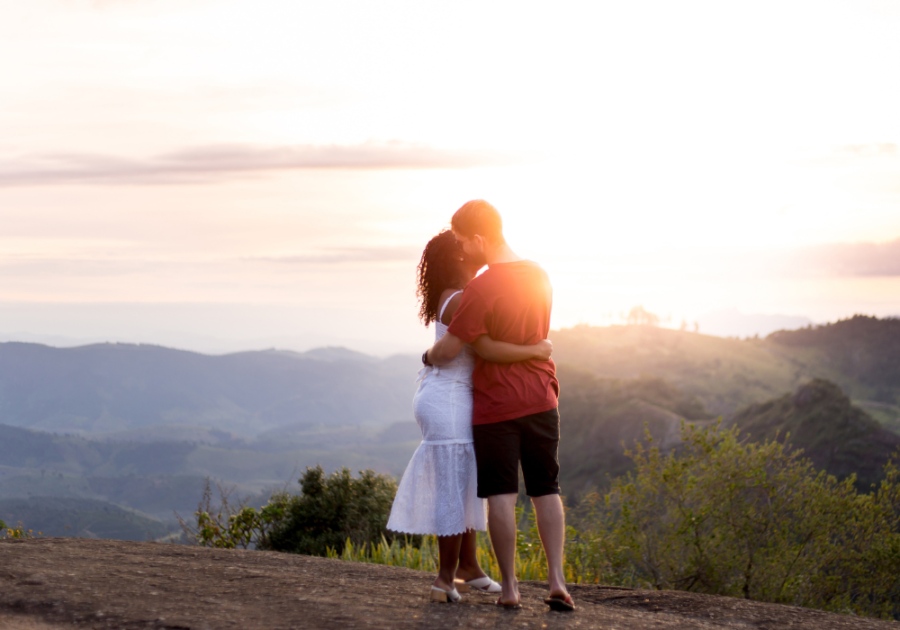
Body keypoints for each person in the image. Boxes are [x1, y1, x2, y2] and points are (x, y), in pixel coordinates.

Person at [386, 229, 552, 604]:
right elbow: (466, 350)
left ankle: (469, 567)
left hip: (452, 395)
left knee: (464, 484)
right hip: (450, 399)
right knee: (454, 486)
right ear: (457, 257)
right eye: (461, 245)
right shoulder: (461, 297)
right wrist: (537, 350)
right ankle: (445, 579)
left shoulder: (461, 294)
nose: (469, 247)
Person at [424, 200, 574, 611]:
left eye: (461, 242)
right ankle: (556, 580)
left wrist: (428, 356)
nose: (461, 251)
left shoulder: (482, 288)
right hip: (542, 396)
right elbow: (536, 338)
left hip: (497, 405)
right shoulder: (539, 275)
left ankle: (510, 589)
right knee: (547, 489)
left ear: (477, 238)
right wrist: (536, 351)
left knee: (502, 497)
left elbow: (457, 347)